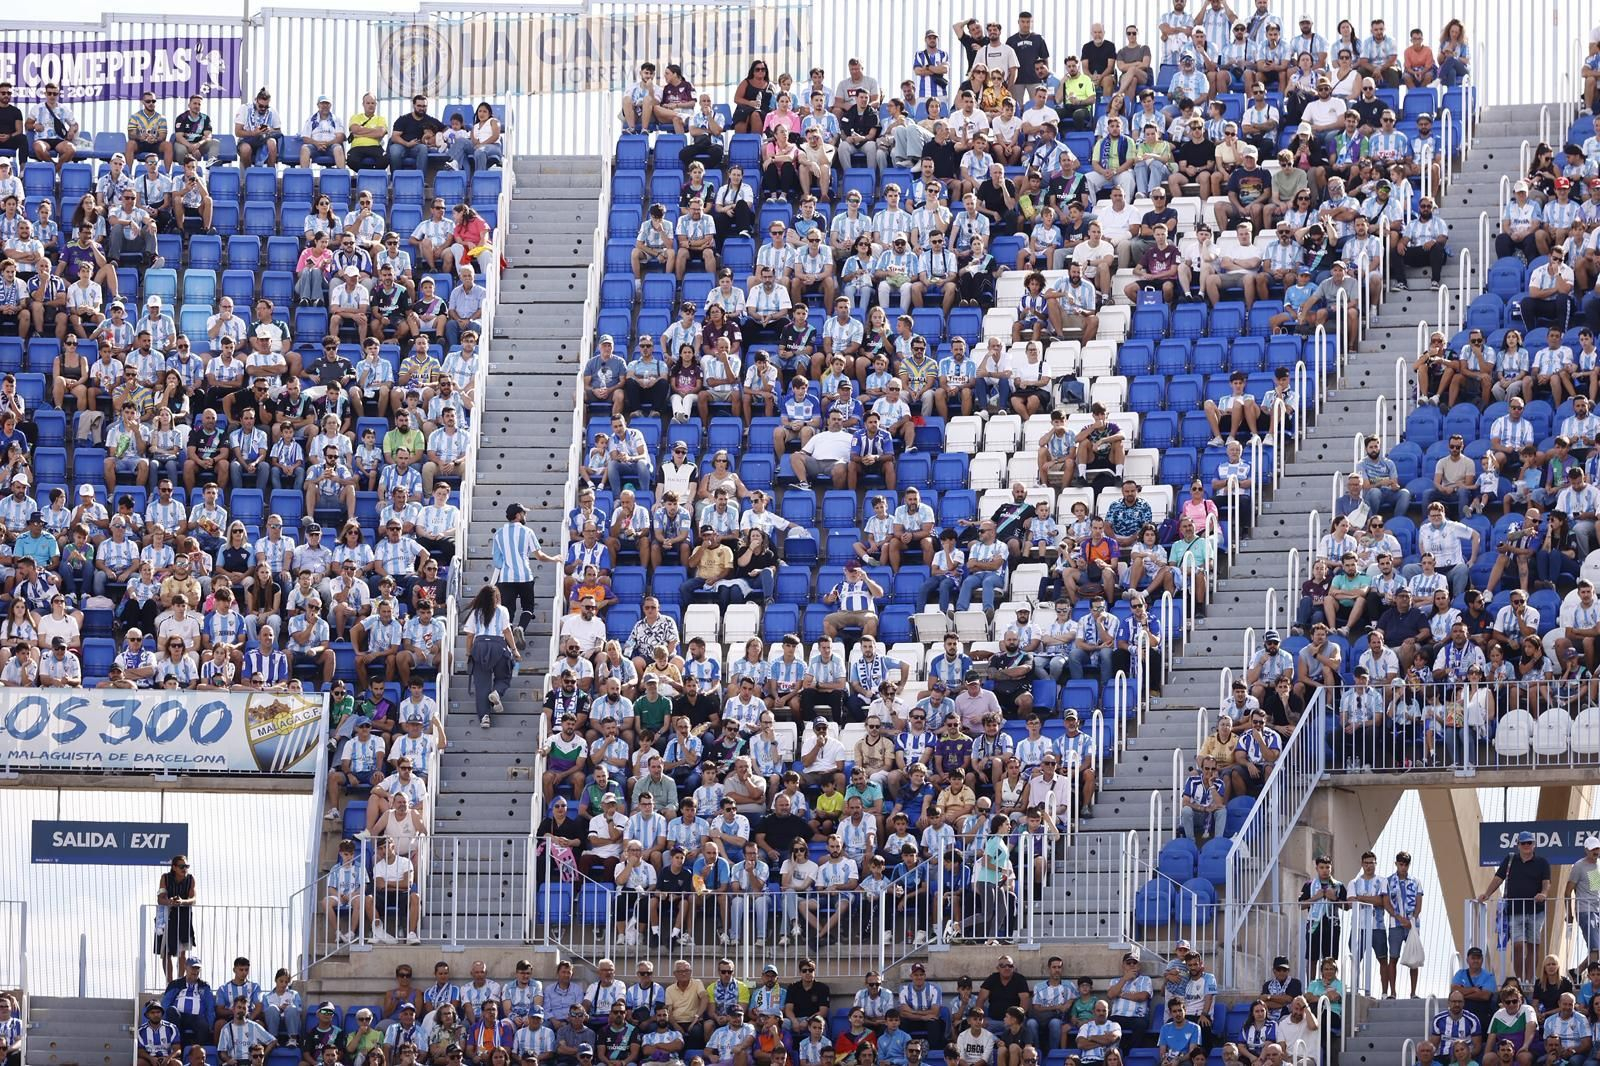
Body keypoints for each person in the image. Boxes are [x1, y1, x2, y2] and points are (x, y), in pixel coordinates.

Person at [1476, 831, 1553, 984]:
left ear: (1534, 845)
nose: (1595, 853)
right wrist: (1487, 893)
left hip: (1539, 911)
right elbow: (1498, 878)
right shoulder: (1510, 860)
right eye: (1523, 843)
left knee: (1533, 945)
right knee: (1518, 945)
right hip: (1515, 910)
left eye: (1529, 843)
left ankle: (1530, 980)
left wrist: (1544, 894)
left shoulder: (1592, 868)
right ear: (1518, 845)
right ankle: (1520, 980)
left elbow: (1551, 883)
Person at [464, 584, 519, 729]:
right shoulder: (503, 610)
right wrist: (514, 650)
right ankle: (496, 692)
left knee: (482, 685)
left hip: (480, 646)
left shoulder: (475, 612)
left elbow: (470, 636)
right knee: (504, 676)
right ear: (497, 597)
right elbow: (507, 631)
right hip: (498, 646)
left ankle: (484, 717)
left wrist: (469, 653)